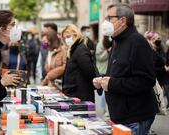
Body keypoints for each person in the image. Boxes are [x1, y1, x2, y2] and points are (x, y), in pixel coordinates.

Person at [93, 4, 157, 135]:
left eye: (109, 18)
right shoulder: (117, 41)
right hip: (121, 116)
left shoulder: (137, 42)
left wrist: (111, 84)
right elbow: (116, 73)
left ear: (122, 21)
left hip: (135, 117)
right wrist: (102, 81)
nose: (106, 22)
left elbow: (146, 80)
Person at [62, 24, 97, 102]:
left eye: (68, 36)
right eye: (65, 38)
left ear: (76, 34)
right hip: (74, 94)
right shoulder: (73, 50)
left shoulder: (80, 49)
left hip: (80, 96)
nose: (66, 40)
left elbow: (90, 72)